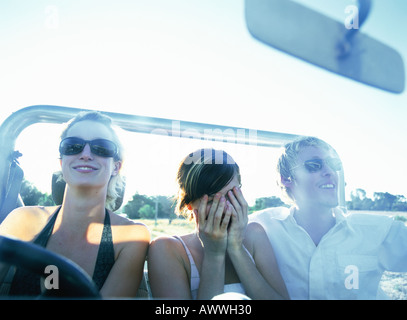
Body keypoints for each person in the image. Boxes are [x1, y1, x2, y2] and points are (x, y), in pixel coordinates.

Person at [0, 111, 150, 298]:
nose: (86, 155)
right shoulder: (24, 219)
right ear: (62, 162)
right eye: (73, 146)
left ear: (116, 167)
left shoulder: (131, 236)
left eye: (101, 147)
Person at [249, 136, 407, 299]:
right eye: (314, 165)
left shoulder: (378, 230)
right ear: (286, 178)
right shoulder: (263, 227)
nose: (330, 172)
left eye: (334, 165)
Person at [147, 148, 288, 300]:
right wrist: (214, 254)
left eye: (232, 195)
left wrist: (237, 248)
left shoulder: (255, 234)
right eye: (214, 200)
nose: (225, 207)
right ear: (189, 204)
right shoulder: (166, 249)